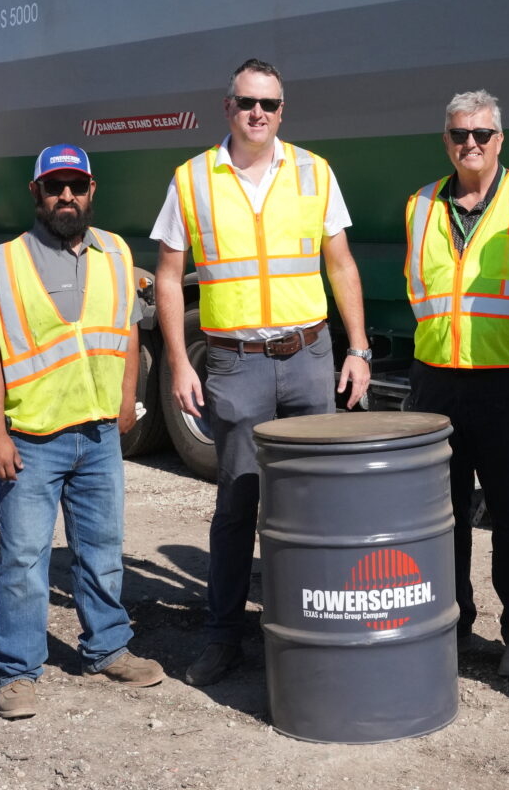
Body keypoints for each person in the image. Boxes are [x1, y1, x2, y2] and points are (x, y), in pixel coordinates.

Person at [151, 59, 372, 686]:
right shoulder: (193, 178)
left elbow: (342, 265)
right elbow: (168, 276)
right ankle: (224, 637)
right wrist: (176, 362)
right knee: (238, 502)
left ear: (282, 111)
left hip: (308, 359)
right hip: (235, 364)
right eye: (247, 102)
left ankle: (317, 625)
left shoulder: (313, 171)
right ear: (227, 107)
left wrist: (358, 348)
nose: (258, 113)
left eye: (269, 105)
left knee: (315, 504)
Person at [0, 144, 164, 721]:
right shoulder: (2, 265)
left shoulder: (116, 254)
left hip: (101, 434)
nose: (66, 197)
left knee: (102, 552)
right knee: (25, 561)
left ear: (91, 191)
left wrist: (129, 399)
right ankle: (17, 672)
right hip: (31, 439)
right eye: (55, 186)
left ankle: (107, 648)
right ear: (35, 193)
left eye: (76, 187)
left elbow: (127, 333)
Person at [401, 90, 509, 678]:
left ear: (500, 140)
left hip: (504, 378)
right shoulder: (418, 204)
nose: (471, 145)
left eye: (482, 135)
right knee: (445, 512)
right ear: (446, 140)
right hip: (436, 379)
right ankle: (453, 621)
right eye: (460, 135)